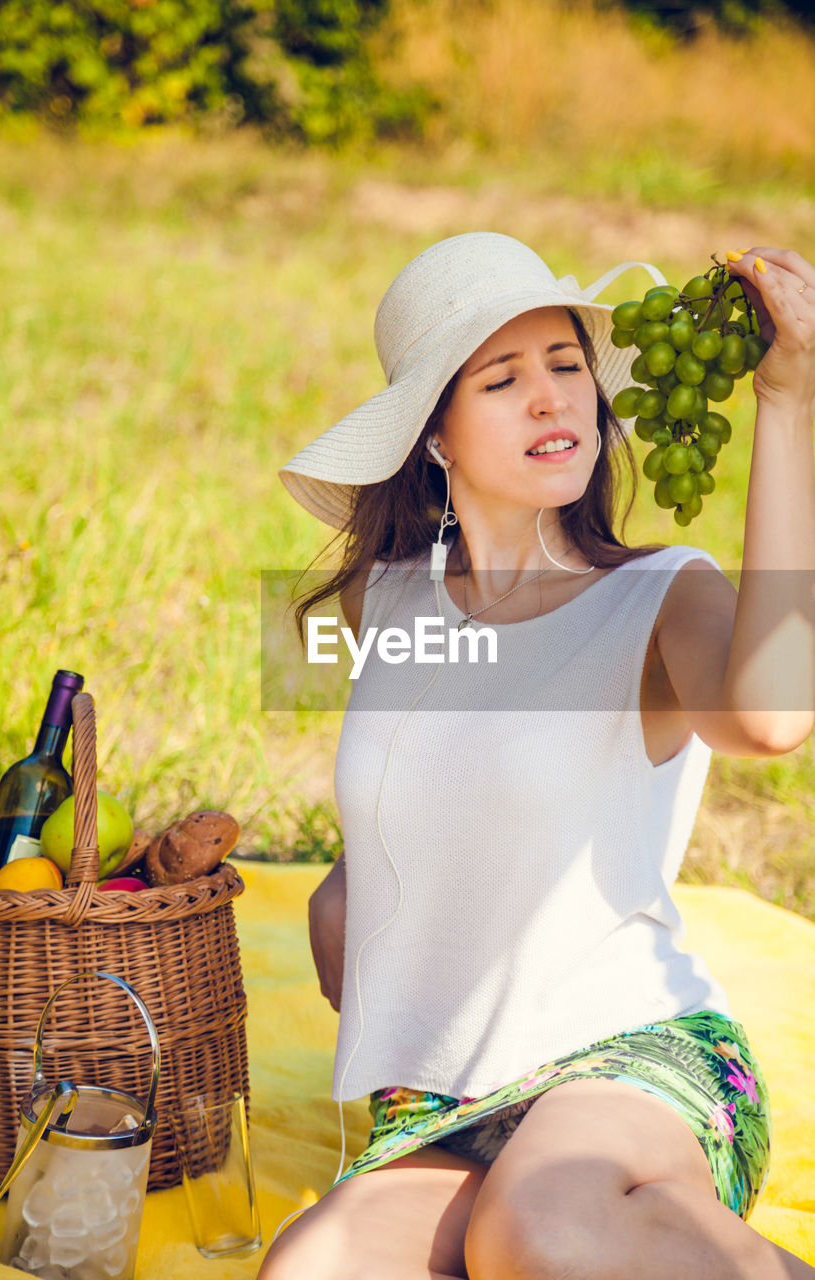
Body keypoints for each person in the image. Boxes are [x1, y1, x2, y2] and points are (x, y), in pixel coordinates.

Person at [259, 233, 815, 1279]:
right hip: (443, 1097)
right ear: (435, 438)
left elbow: (774, 716)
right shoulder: (389, 603)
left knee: (541, 1228)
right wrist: (349, 904)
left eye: (565, 366)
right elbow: (416, 806)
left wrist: (789, 405)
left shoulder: (657, 594)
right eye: (503, 379)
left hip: (627, 1058)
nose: (552, 399)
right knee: (309, 1268)